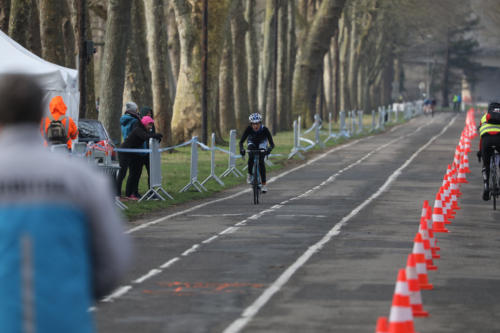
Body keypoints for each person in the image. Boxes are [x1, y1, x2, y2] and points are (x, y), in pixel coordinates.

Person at [0, 74, 131, 332]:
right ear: (39, 110)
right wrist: (71, 291)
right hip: (65, 318)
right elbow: (113, 261)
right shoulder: (82, 178)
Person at [117, 115, 162, 200]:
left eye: (151, 125)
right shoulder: (138, 129)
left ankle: (130, 194)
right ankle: (117, 194)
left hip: (132, 153)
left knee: (134, 173)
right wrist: (155, 135)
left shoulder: (144, 130)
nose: (150, 127)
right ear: (144, 123)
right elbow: (145, 137)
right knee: (122, 173)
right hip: (124, 152)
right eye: (149, 124)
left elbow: (148, 136)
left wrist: (156, 138)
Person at [239, 113, 275, 193]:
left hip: (262, 143)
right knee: (251, 156)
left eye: (257, 123)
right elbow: (241, 142)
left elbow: (272, 144)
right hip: (252, 142)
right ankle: (249, 174)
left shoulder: (265, 129)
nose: (255, 126)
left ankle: (264, 184)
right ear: (251, 124)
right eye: (253, 124)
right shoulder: (248, 129)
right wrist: (241, 149)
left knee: (261, 162)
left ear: (260, 123)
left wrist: (269, 149)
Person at [477, 102, 500, 201]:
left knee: (486, 164)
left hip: (486, 141)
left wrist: (480, 151)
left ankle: (486, 186)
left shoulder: (484, 117)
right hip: (499, 140)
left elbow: (482, 137)